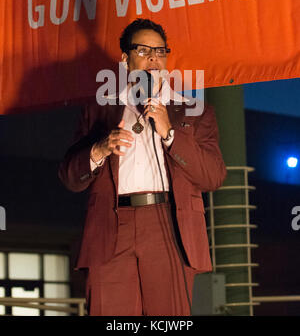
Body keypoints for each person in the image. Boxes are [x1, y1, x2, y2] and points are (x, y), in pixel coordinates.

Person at [58, 18, 227, 316]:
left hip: (169, 224)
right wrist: (99, 149)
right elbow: (70, 177)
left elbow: (213, 176)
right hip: (111, 227)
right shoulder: (100, 110)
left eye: (160, 51)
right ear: (125, 59)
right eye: (143, 50)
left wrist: (169, 134)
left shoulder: (193, 111)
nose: (153, 58)